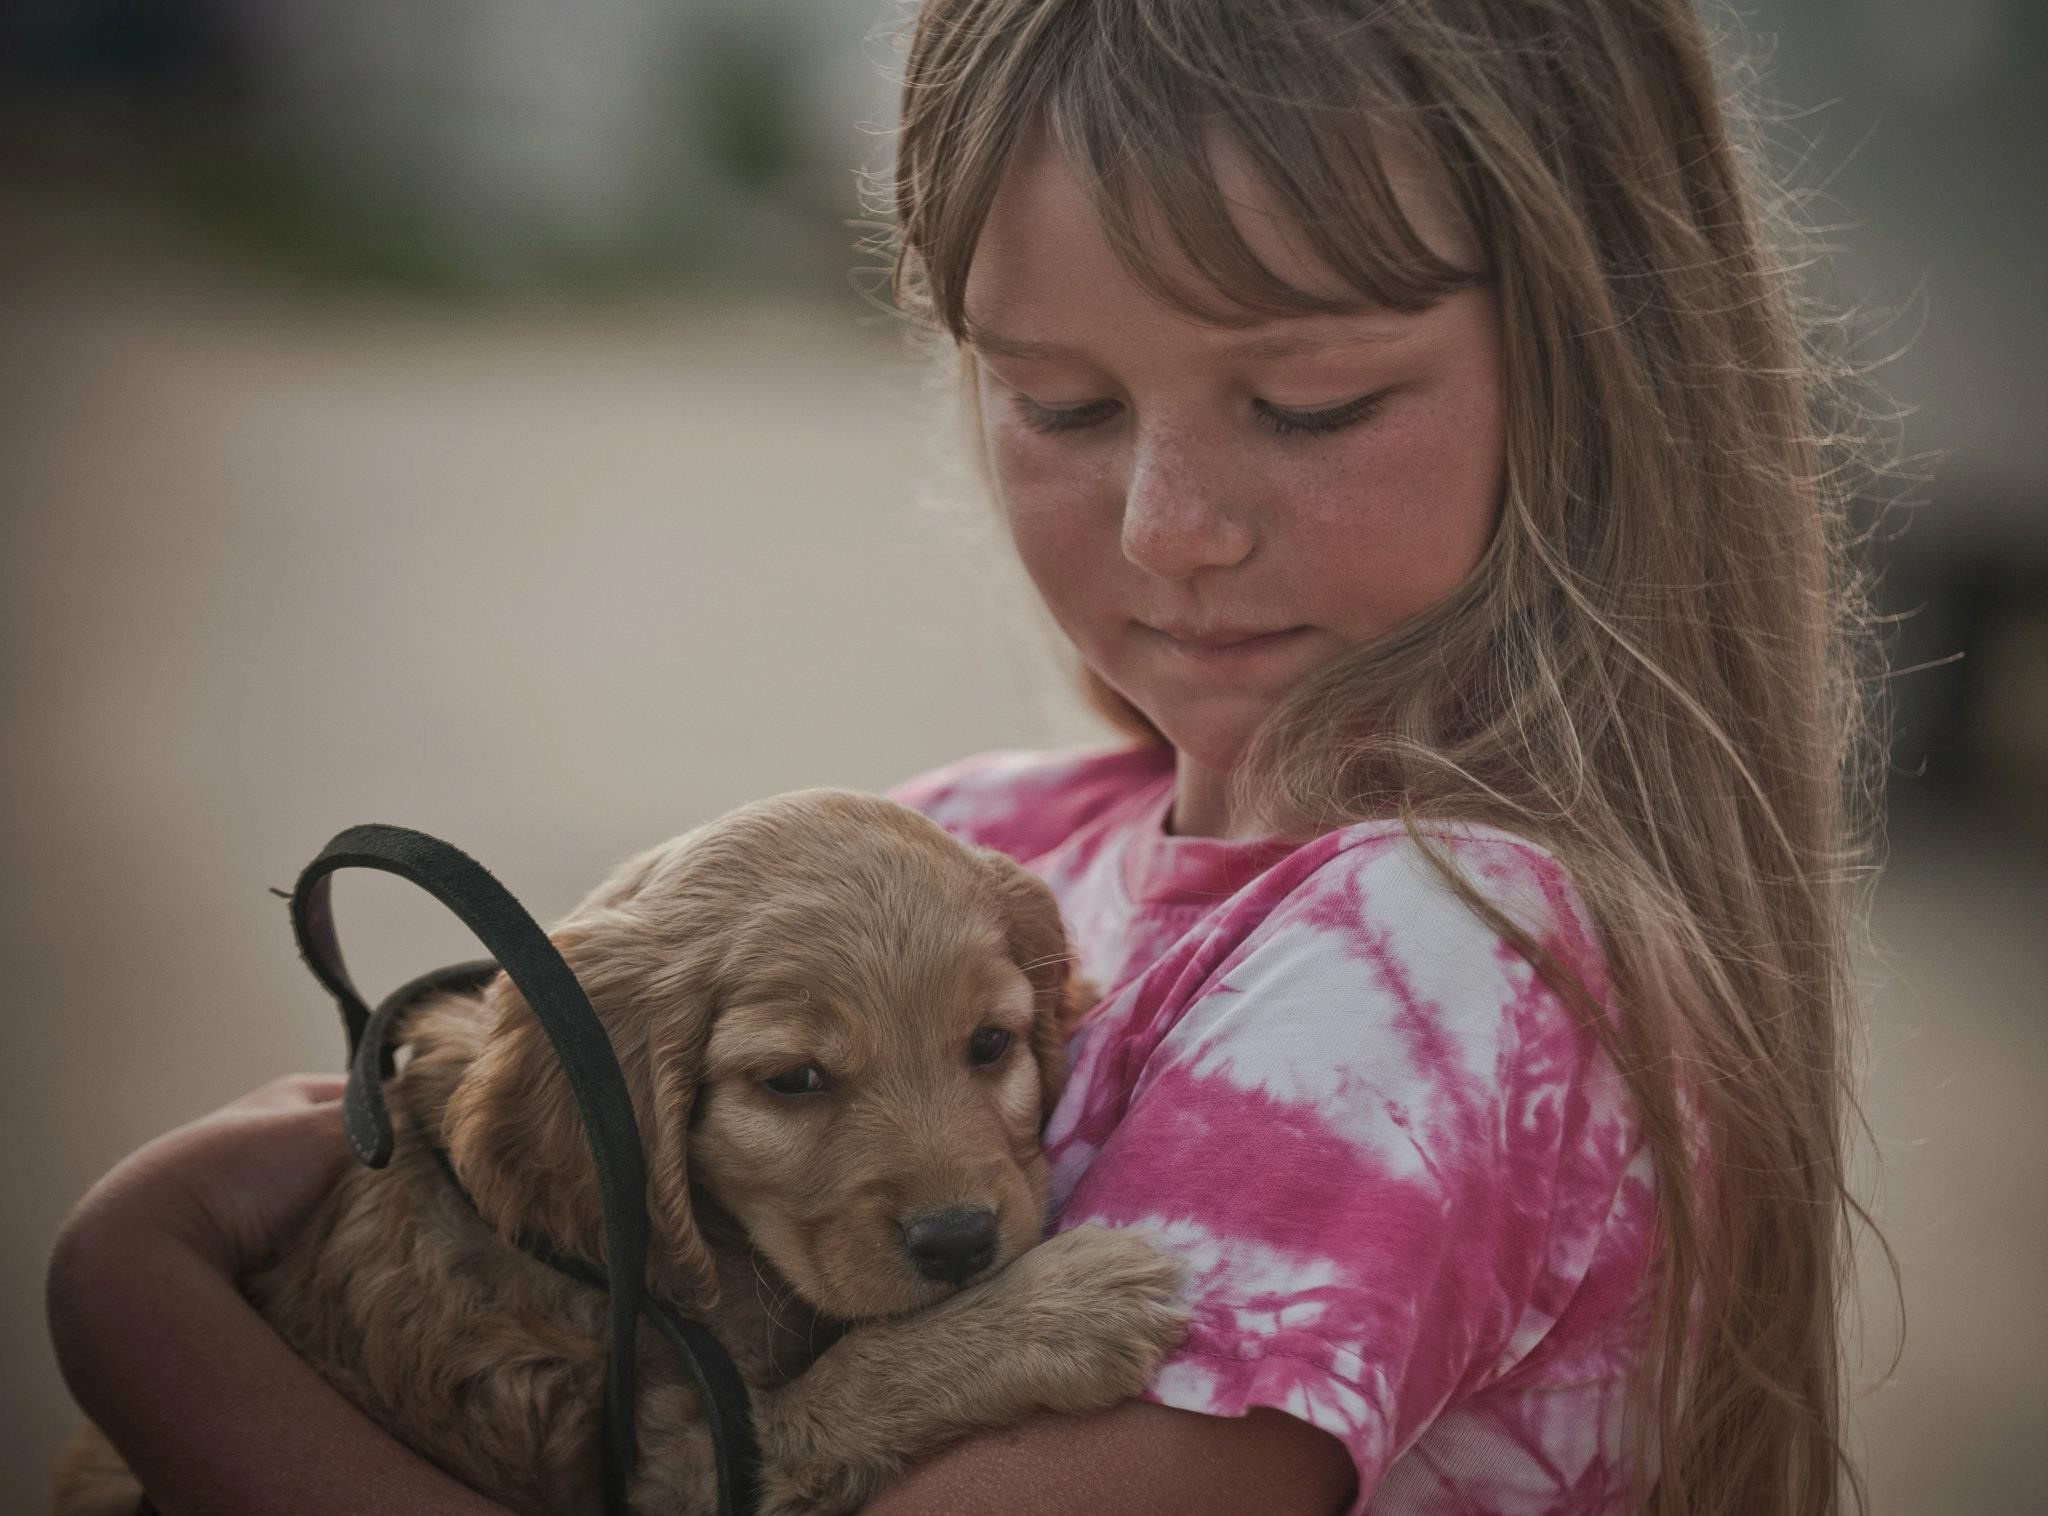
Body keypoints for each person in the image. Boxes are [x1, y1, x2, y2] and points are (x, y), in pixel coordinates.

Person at [45, 1, 1891, 1511]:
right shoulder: (978, 846)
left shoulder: (1446, 973)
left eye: (1311, 402)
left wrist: (134, 1305)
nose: (1171, 527)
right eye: (1061, 402)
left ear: (1598, 361)